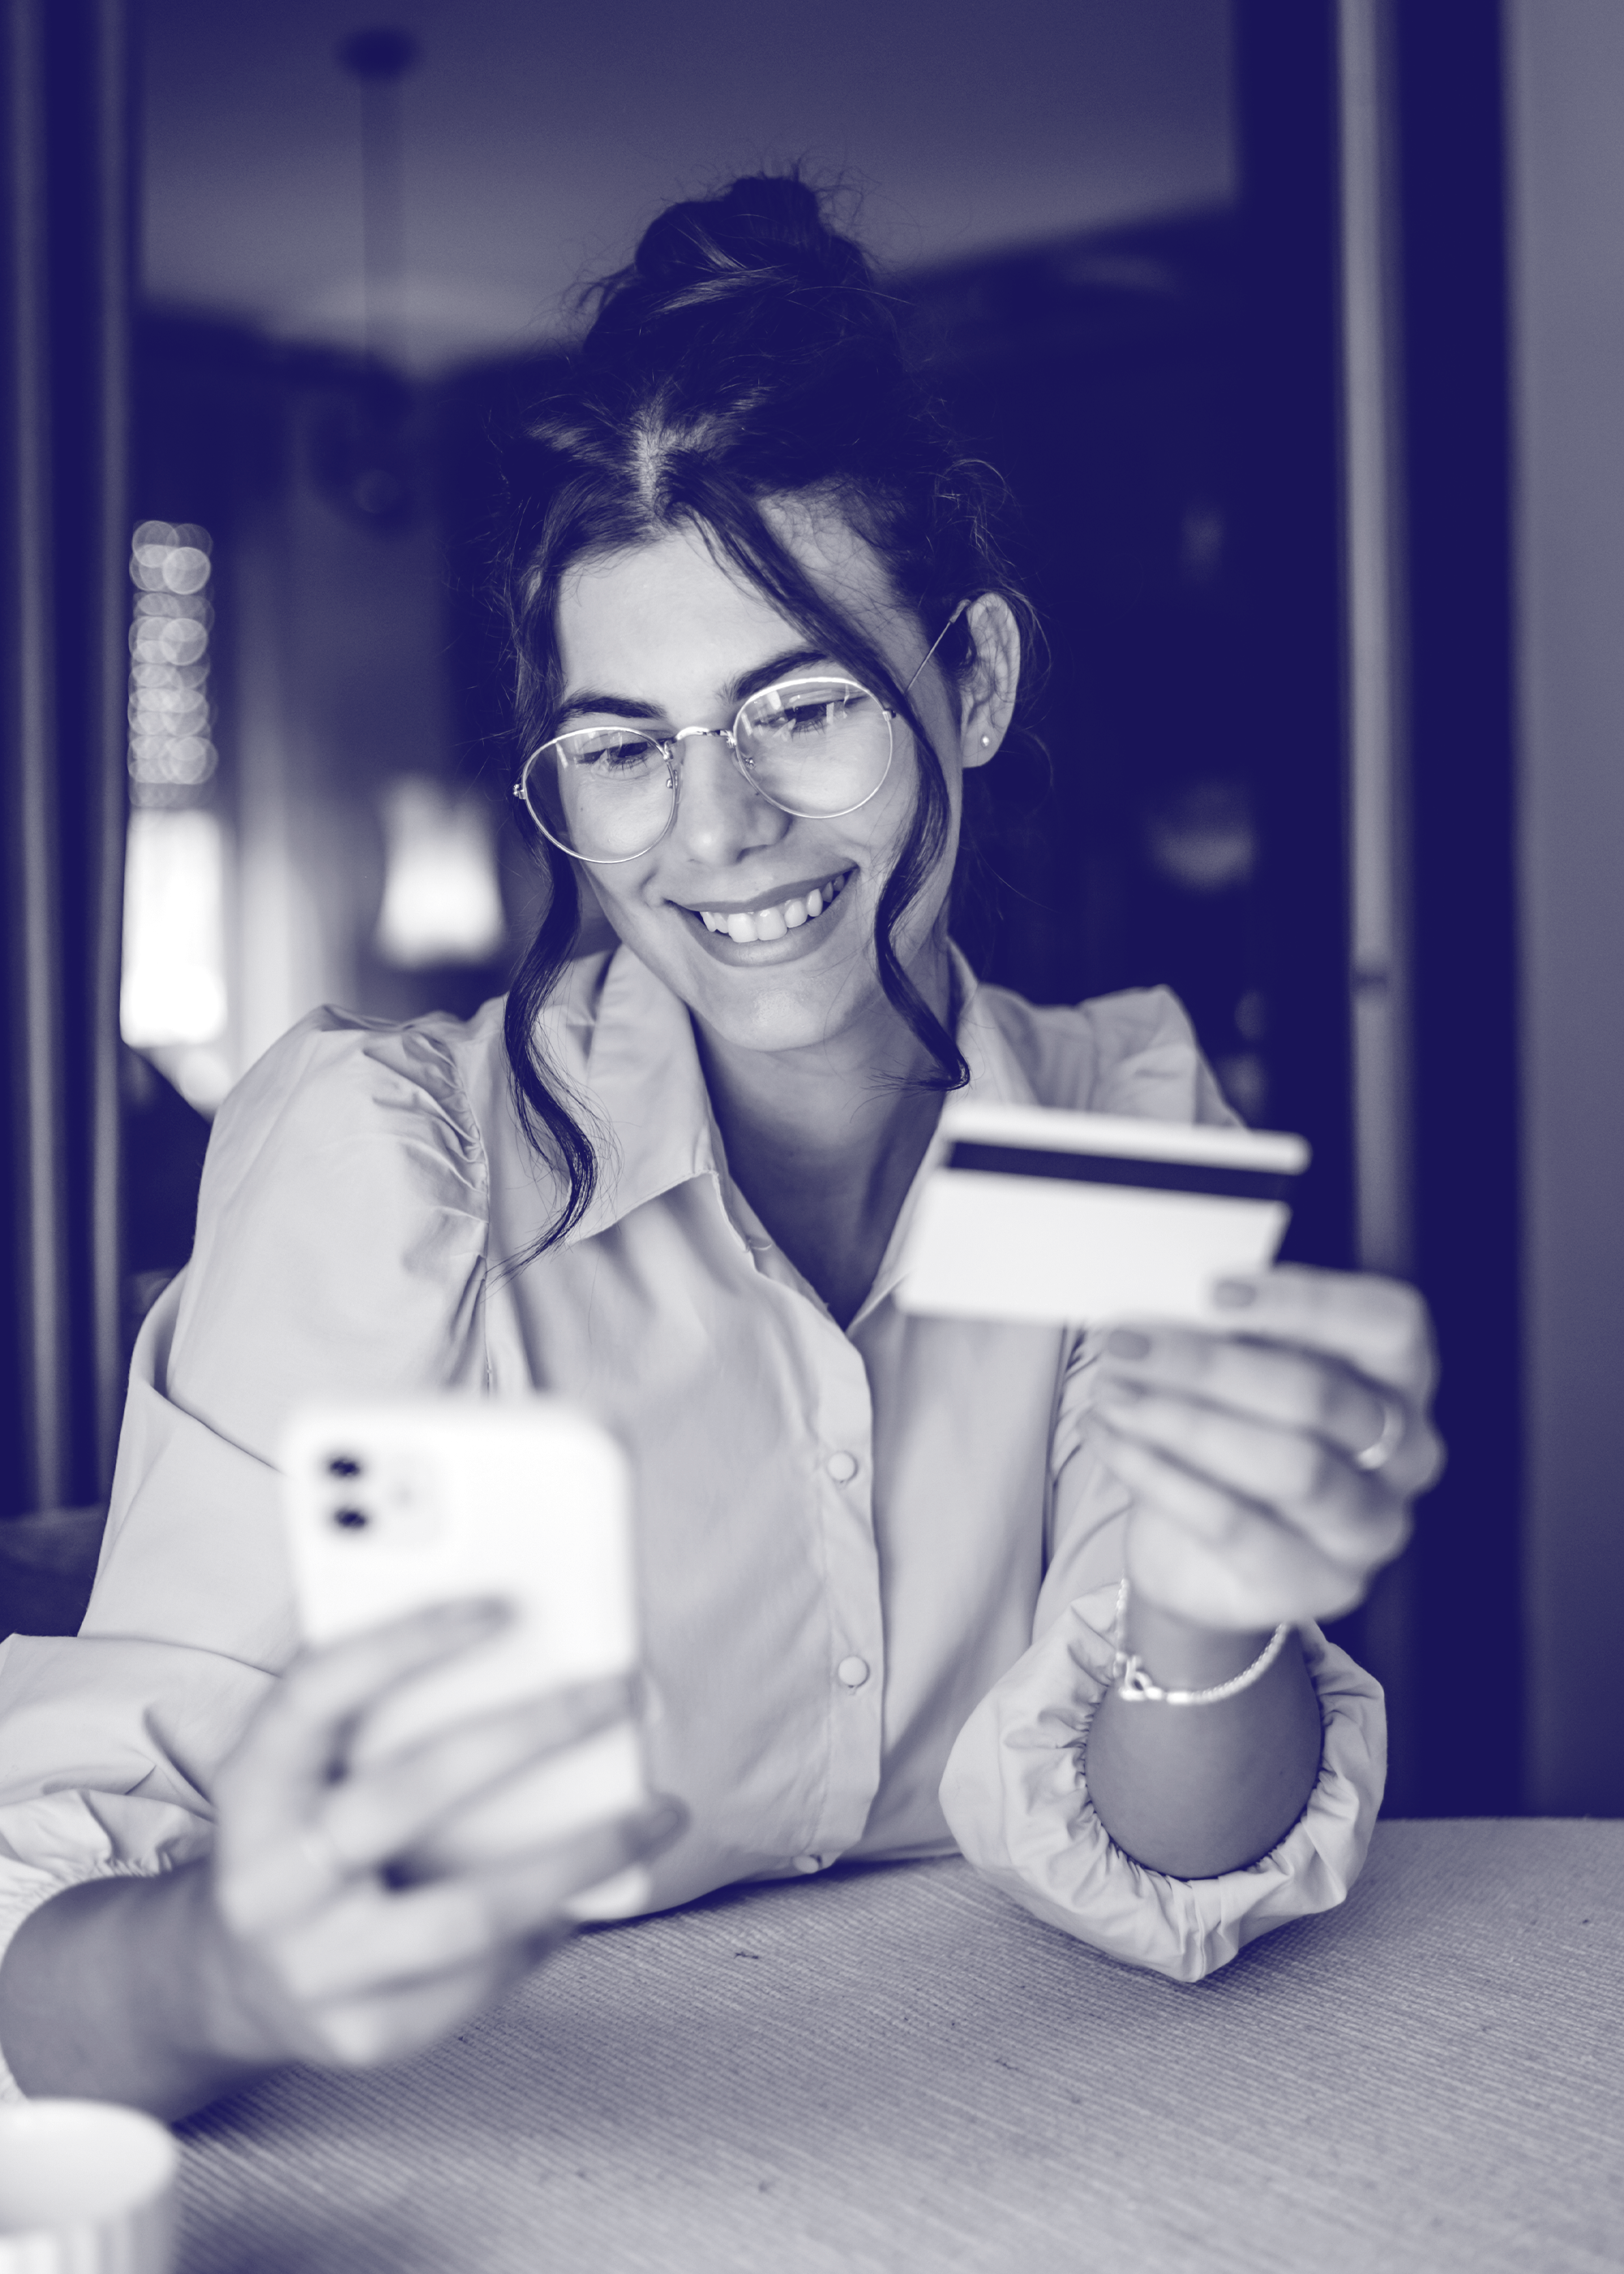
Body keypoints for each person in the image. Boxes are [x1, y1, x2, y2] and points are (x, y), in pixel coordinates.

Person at [0, 177, 1438, 2120]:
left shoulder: (1118, 1120)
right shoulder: (393, 1167)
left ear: (978, 684)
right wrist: (232, 1957)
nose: (718, 827)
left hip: (1028, 2149)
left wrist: (1212, 1594)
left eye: (805, 705)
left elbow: (1175, 1852)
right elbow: (52, 1940)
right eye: (624, 745)